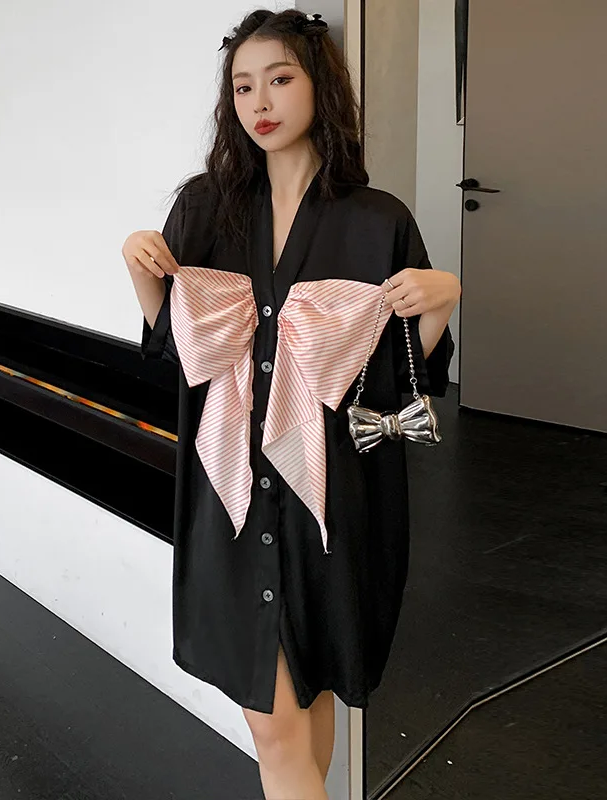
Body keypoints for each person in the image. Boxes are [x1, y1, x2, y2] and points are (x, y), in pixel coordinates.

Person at [121, 8, 459, 800]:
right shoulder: (203, 208)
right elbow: (182, 355)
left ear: (319, 86)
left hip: (332, 500)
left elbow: (399, 382)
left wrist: (442, 301)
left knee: (311, 702)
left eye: (279, 78)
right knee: (277, 727)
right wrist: (140, 275)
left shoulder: (378, 221)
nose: (260, 101)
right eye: (243, 86)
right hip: (233, 503)